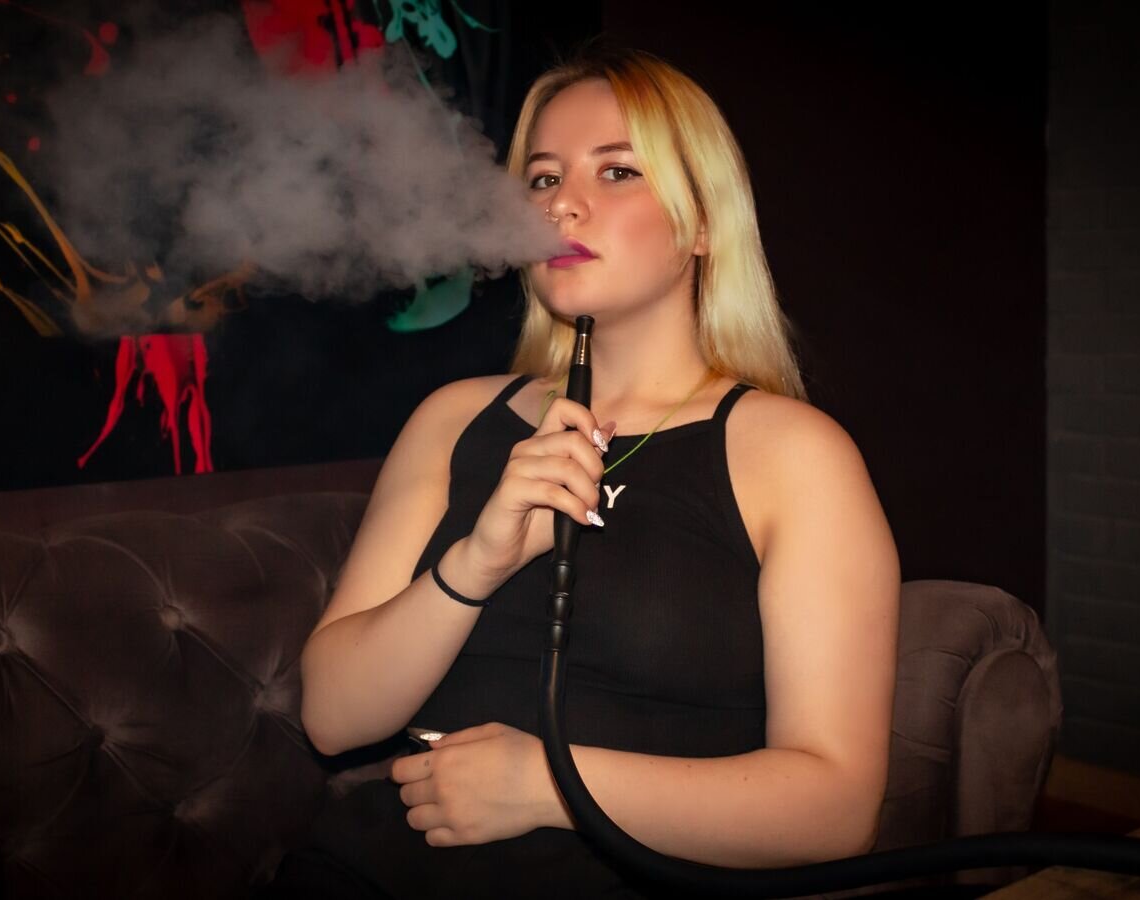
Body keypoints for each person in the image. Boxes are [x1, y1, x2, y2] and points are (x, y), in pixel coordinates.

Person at [269, 44, 900, 899]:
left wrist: (548, 787)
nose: (561, 203)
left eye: (617, 171)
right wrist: (475, 564)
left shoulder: (793, 455)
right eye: (541, 179)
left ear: (702, 223)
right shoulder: (454, 420)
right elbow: (333, 718)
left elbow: (837, 808)